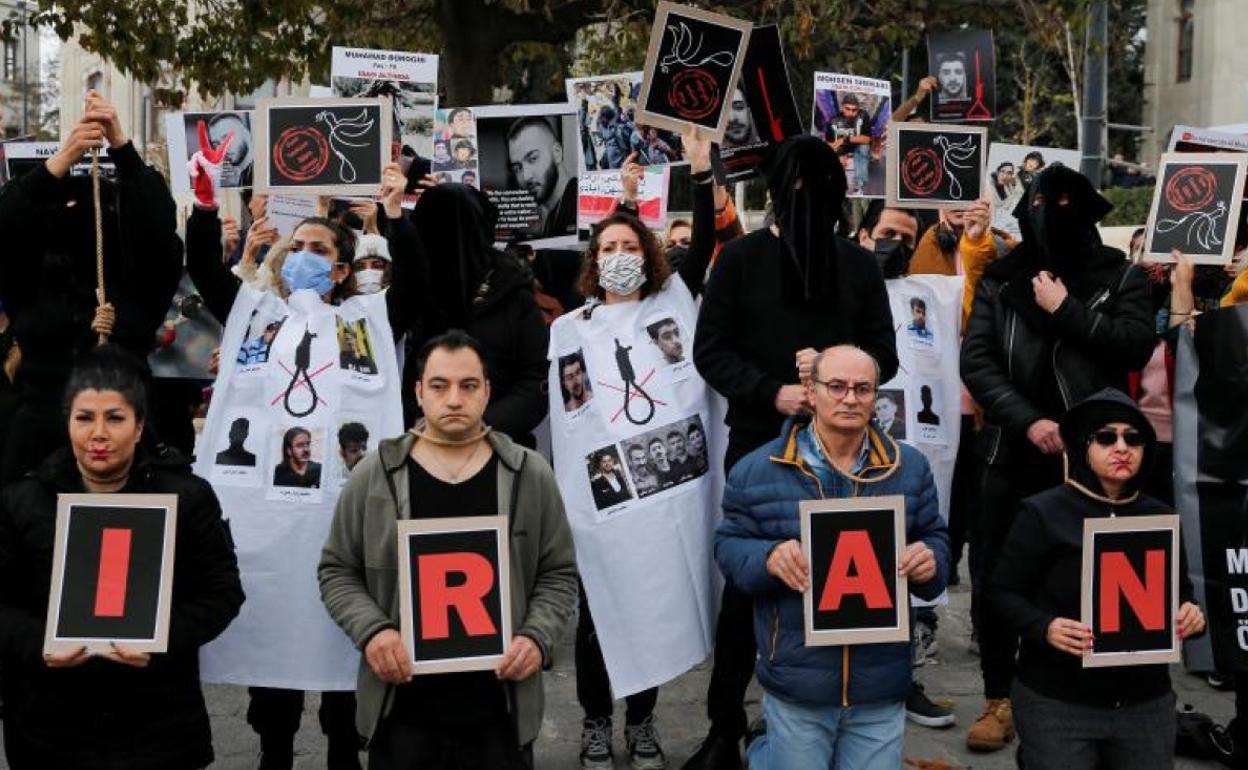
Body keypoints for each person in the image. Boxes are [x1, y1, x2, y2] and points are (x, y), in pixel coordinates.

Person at [186, 152, 417, 770]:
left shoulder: (366, 321)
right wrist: (212, 211)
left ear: (342, 270)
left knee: (343, 631)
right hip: (268, 523)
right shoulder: (254, 315)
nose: (304, 254)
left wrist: (385, 220)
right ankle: (275, 746)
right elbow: (204, 274)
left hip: (337, 521)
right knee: (274, 625)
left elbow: (412, 280)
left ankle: (345, 745)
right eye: (297, 246)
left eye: (319, 247)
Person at [689, 135, 898, 770]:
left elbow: (885, 353)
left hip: (850, 452)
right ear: (779, 194)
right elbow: (711, 348)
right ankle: (724, 724)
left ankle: (832, 714)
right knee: (748, 586)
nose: (807, 202)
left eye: (819, 190)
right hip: (760, 446)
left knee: (844, 579)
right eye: (796, 190)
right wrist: (770, 392)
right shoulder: (742, 260)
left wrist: (839, 374)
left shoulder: (858, 267)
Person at [960, 165, 1156, 753]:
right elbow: (979, 362)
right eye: (1042, 201)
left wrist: (1067, 307)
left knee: (1085, 577)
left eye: (1066, 202)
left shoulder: (1118, 276)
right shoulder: (1001, 279)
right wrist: (1029, 420)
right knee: (996, 576)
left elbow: (1134, 343)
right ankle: (1000, 697)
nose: (1052, 212)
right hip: (1009, 453)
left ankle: (1086, 697)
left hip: (1094, 460)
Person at [318, 330, 577, 769]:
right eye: (439, 386)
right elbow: (337, 570)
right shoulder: (374, 474)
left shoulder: (529, 474)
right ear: (419, 393)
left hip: (500, 715)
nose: (454, 399)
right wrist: (373, 631)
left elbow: (558, 574)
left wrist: (537, 635)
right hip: (402, 713)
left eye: (468, 385)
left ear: (487, 391)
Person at [554, 139, 719, 767]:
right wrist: (621, 202)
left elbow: (702, 244)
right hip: (606, 503)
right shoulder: (572, 331)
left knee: (650, 608)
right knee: (601, 616)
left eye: (630, 246)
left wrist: (701, 173)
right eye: (608, 248)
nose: (620, 255)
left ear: (648, 255)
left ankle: (642, 722)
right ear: (594, 260)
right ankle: (597, 722)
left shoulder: (674, 303)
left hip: (667, 496)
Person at [0, 351, 244, 769]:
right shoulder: (22, 501)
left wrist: (159, 639)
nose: (98, 434)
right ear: (67, 423)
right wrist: (41, 644)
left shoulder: (188, 497)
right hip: (48, 725)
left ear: (139, 425)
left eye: (114, 418)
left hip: (158, 724)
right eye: (84, 418)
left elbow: (223, 594)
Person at [715, 345, 949, 770]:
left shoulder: (909, 467)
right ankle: (764, 750)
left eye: (862, 389)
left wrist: (930, 559)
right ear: (812, 390)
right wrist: (768, 557)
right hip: (798, 678)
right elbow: (729, 548)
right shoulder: (757, 469)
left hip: (880, 681)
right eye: (837, 386)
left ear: (876, 396)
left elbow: (935, 536)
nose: (850, 398)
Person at [991, 389, 1205, 770]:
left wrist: (1191, 615)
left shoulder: (1159, 516)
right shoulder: (1042, 513)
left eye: (1133, 438)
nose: (1121, 447)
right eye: (1106, 437)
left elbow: (1181, 594)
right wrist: (1045, 627)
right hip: (1057, 702)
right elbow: (1002, 594)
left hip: (1145, 704)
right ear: (1082, 447)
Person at [0, 90, 183, 484]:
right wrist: (60, 161)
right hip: (41, 426)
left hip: (126, 423)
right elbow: (8, 222)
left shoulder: (141, 271)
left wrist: (122, 149)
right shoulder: (26, 270)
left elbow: (158, 226)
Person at [397, 182, 550, 446]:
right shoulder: (406, 294)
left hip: (500, 449)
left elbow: (536, 378)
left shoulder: (513, 293)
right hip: (418, 448)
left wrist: (479, 427)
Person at [507, 116, 576, 238]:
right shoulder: (551, 218)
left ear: (557, 153)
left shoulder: (578, 205)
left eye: (533, 159)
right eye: (517, 168)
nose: (526, 176)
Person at [826, 93, 873, 195]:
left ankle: (859, 186)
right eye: (847, 109)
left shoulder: (863, 115)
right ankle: (834, 184)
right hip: (841, 148)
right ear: (842, 107)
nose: (851, 112)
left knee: (864, 148)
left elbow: (867, 139)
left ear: (858, 109)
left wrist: (845, 140)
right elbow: (829, 142)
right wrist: (838, 154)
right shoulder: (834, 120)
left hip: (857, 145)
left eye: (854, 110)